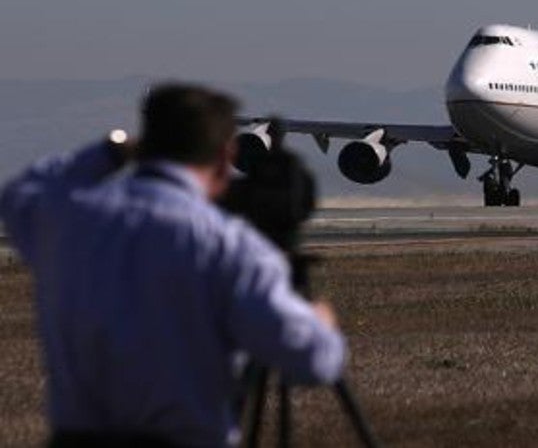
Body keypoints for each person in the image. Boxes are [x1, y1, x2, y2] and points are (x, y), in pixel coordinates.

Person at [0, 84, 346, 447]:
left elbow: (22, 193)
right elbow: (314, 362)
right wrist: (319, 321)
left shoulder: (69, 221)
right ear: (227, 154)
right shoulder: (227, 245)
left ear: (145, 144)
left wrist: (111, 151)